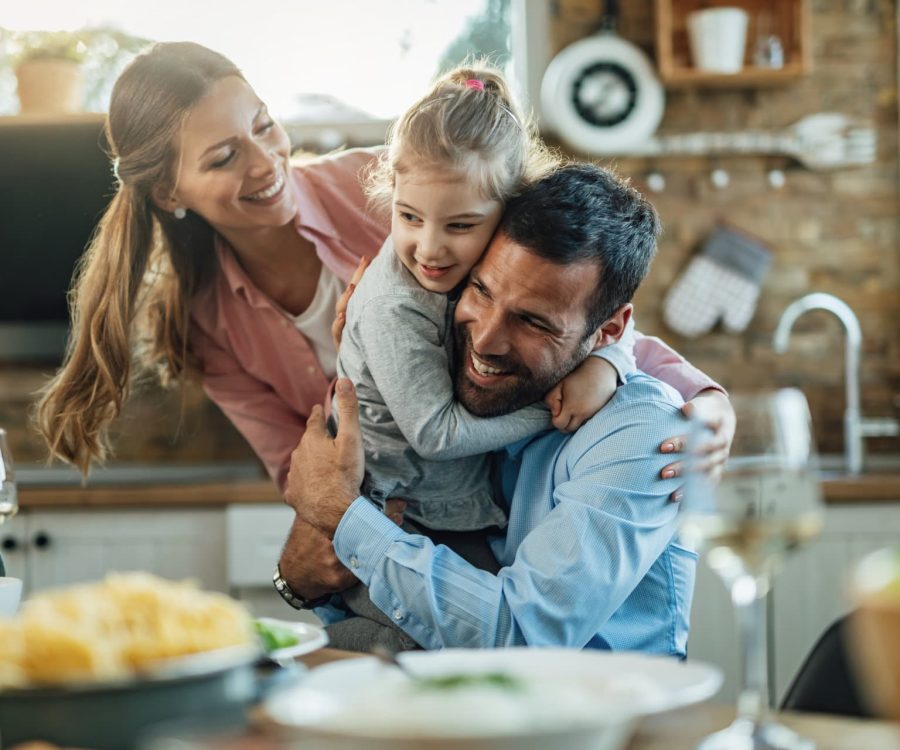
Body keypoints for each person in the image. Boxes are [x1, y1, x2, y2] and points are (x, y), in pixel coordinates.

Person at [32, 43, 730, 622]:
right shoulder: (201, 320)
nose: (265, 161)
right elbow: (299, 472)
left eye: (265, 125)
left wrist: (651, 374)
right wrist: (310, 563)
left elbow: (556, 279)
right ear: (168, 193)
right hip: (401, 529)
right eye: (221, 158)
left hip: (506, 501)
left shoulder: (401, 190)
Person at [283, 162, 732, 655]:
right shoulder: (455, 369)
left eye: (532, 322)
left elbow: (521, 634)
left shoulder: (644, 432)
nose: (487, 340)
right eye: (481, 290)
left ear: (608, 331)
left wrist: (340, 513)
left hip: (604, 721)